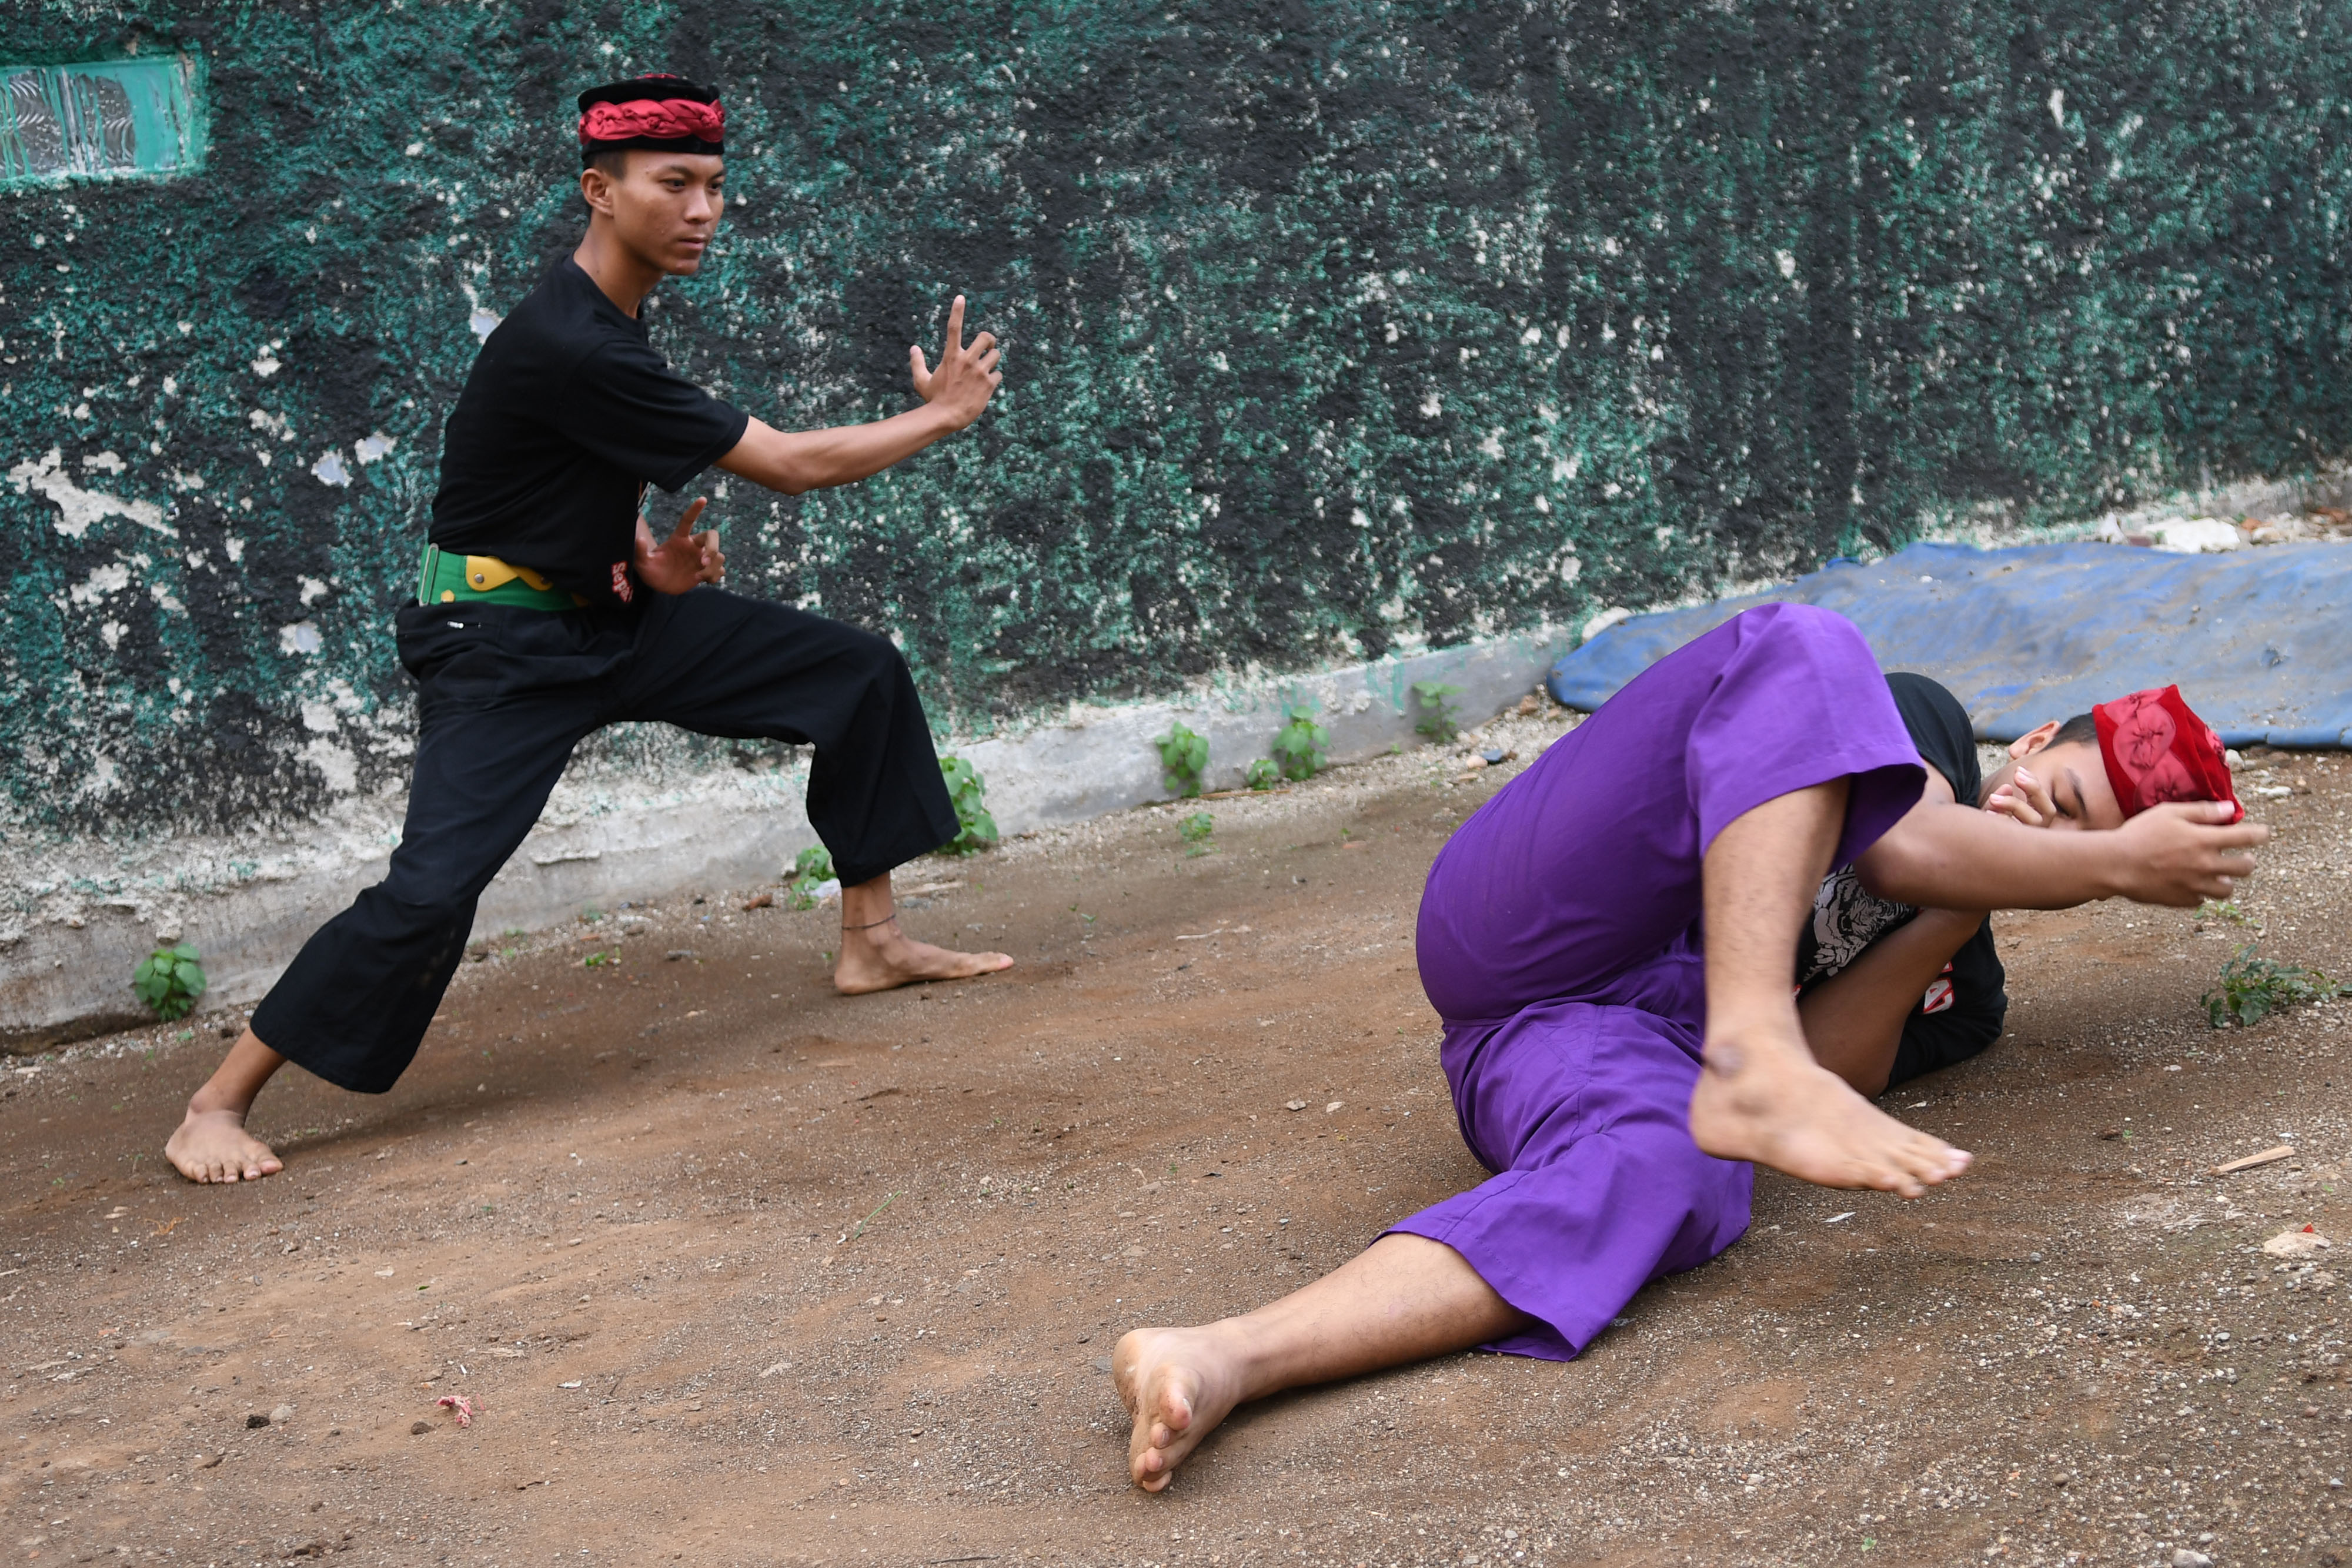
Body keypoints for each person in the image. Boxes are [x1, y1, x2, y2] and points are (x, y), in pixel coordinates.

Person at [1114, 603, 2261, 1490]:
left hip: (1558, 1043)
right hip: (1537, 913)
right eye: (2056, 795)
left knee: (1676, 1168)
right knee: (1808, 650)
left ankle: (1226, 1354)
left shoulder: (1966, 991)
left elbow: (1836, 1066)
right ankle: (1740, 1045)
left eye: (2079, 841)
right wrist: (2104, 863)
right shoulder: (1916, 729)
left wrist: (1953, 926)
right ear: (2035, 743)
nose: (2038, 827)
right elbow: (1908, 845)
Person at [168, 75, 1013, 1183]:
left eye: (714, 186)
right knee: (428, 891)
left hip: (605, 617)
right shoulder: (571, 340)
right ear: (599, 193)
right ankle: (214, 1106)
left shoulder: (610, 325)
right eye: (675, 185)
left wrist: (648, 562)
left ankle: (872, 941)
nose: (703, 210)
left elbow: (567, 471)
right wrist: (940, 415)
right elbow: (793, 468)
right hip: (499, 647)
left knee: (854, 673)